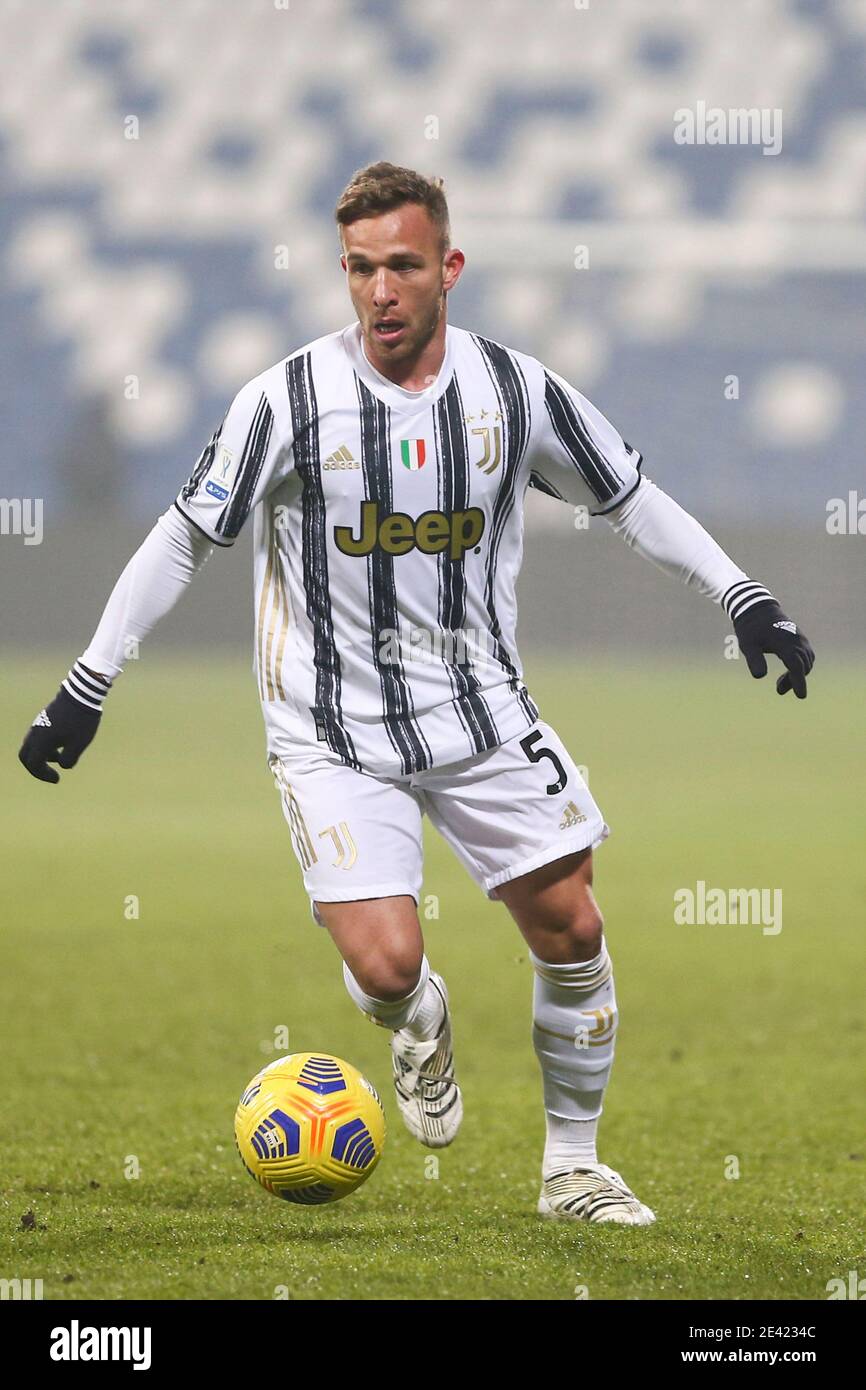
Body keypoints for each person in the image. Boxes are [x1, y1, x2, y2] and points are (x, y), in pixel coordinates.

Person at [19, 162, 814, 1225]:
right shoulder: (287, 399)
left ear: (448, 268)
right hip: (330, 731)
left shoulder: (514, 392)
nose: (379, 291)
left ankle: (572, 1168)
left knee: (571, 926)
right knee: (388, 965)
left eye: (400, 266)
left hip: (483, 714)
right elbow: (182, 537)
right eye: (357, 269)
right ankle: (416, 1018)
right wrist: (88, 682)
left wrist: (741, 595)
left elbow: (631, 497)